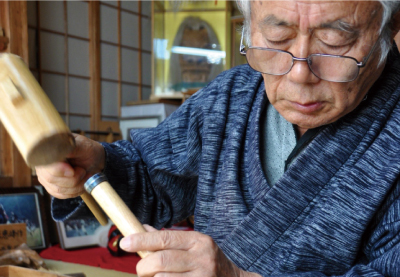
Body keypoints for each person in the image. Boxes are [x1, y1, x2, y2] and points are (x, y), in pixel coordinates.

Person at [37, 1, 400, 276]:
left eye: (334, 42)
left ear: (388, 27)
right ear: (249, 29)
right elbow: (149, 178)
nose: (300, 73)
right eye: (277, 38)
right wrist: (96, 165)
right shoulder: (231, 98)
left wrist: (239, 275)